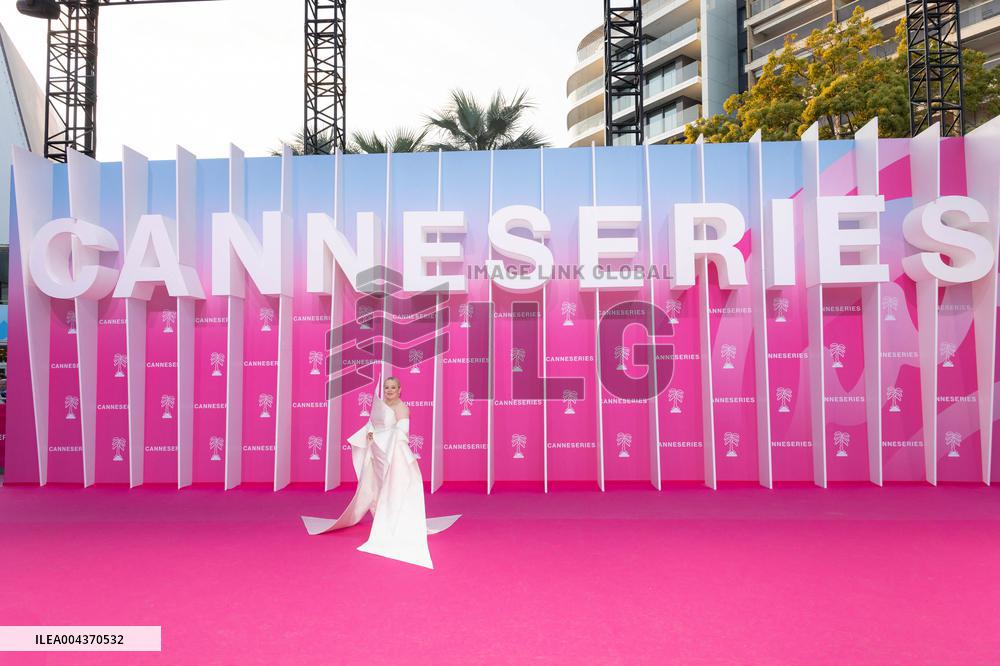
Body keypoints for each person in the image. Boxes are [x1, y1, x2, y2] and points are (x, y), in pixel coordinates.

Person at [300, 375, 459, 569]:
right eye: (386, 387)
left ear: (400, 390)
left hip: (396, 455)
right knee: (380, 486)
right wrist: (369, 433)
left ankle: (395, 522)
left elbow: (402, 434)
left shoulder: (402, 408)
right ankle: (385, 516)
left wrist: (376, 435)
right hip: (379, 454)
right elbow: (373, 424)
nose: (389, 390)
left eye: (393, 387)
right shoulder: (382, 406)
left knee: (396, 487)